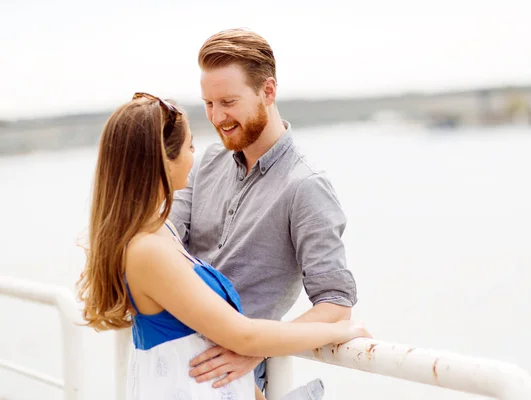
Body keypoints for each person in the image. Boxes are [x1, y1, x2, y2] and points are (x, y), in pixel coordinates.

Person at [76, 92, 370, 400]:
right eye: (190, 146)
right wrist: (338, 331)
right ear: (163, 160)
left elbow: (202, 343)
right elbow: (242, 335)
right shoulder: (146, 250)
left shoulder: (161, 233)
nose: (195, 155)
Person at [169, 28, 358, 391]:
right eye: (209, 104)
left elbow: (335, 305)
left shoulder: (306, 186)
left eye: (228, 102)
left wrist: (257, 347)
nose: (216, 117)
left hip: (233, 382)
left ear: (268, 91)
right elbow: (167, 242)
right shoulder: (206, 162)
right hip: (172, 365)